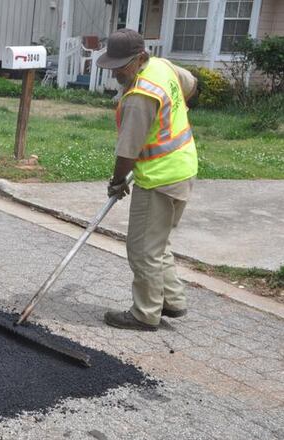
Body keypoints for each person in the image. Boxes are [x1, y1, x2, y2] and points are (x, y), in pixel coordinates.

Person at [99, 29, 199, 331]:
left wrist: (117, 181)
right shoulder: (164, 67)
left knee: (142, 248)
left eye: (122, 64)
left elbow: (127, 151)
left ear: (140, 57)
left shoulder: (139, 97)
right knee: (158, 243)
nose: (116, 71)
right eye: (113, 64)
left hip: (160, 179)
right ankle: (172, 299)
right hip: (183, 167)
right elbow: (192, 86)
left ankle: (145, 313)